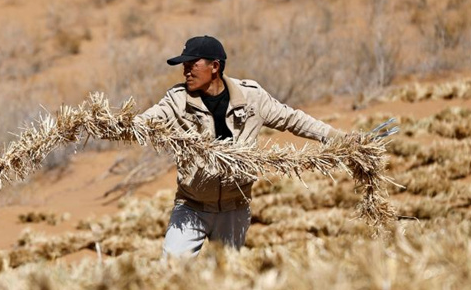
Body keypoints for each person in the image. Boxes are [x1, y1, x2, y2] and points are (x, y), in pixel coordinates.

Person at [136, 35, 343, 257]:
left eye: (192, 65)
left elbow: (292, 119)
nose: (186, 71)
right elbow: (148, 120)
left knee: (226, 275)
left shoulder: (251, 96)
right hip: (191, 206)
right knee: (171, 268)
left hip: (234, 208)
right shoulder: (177, 100)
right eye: (184, 66)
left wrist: (336, 137)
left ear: (214, 66)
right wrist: (122, 124)